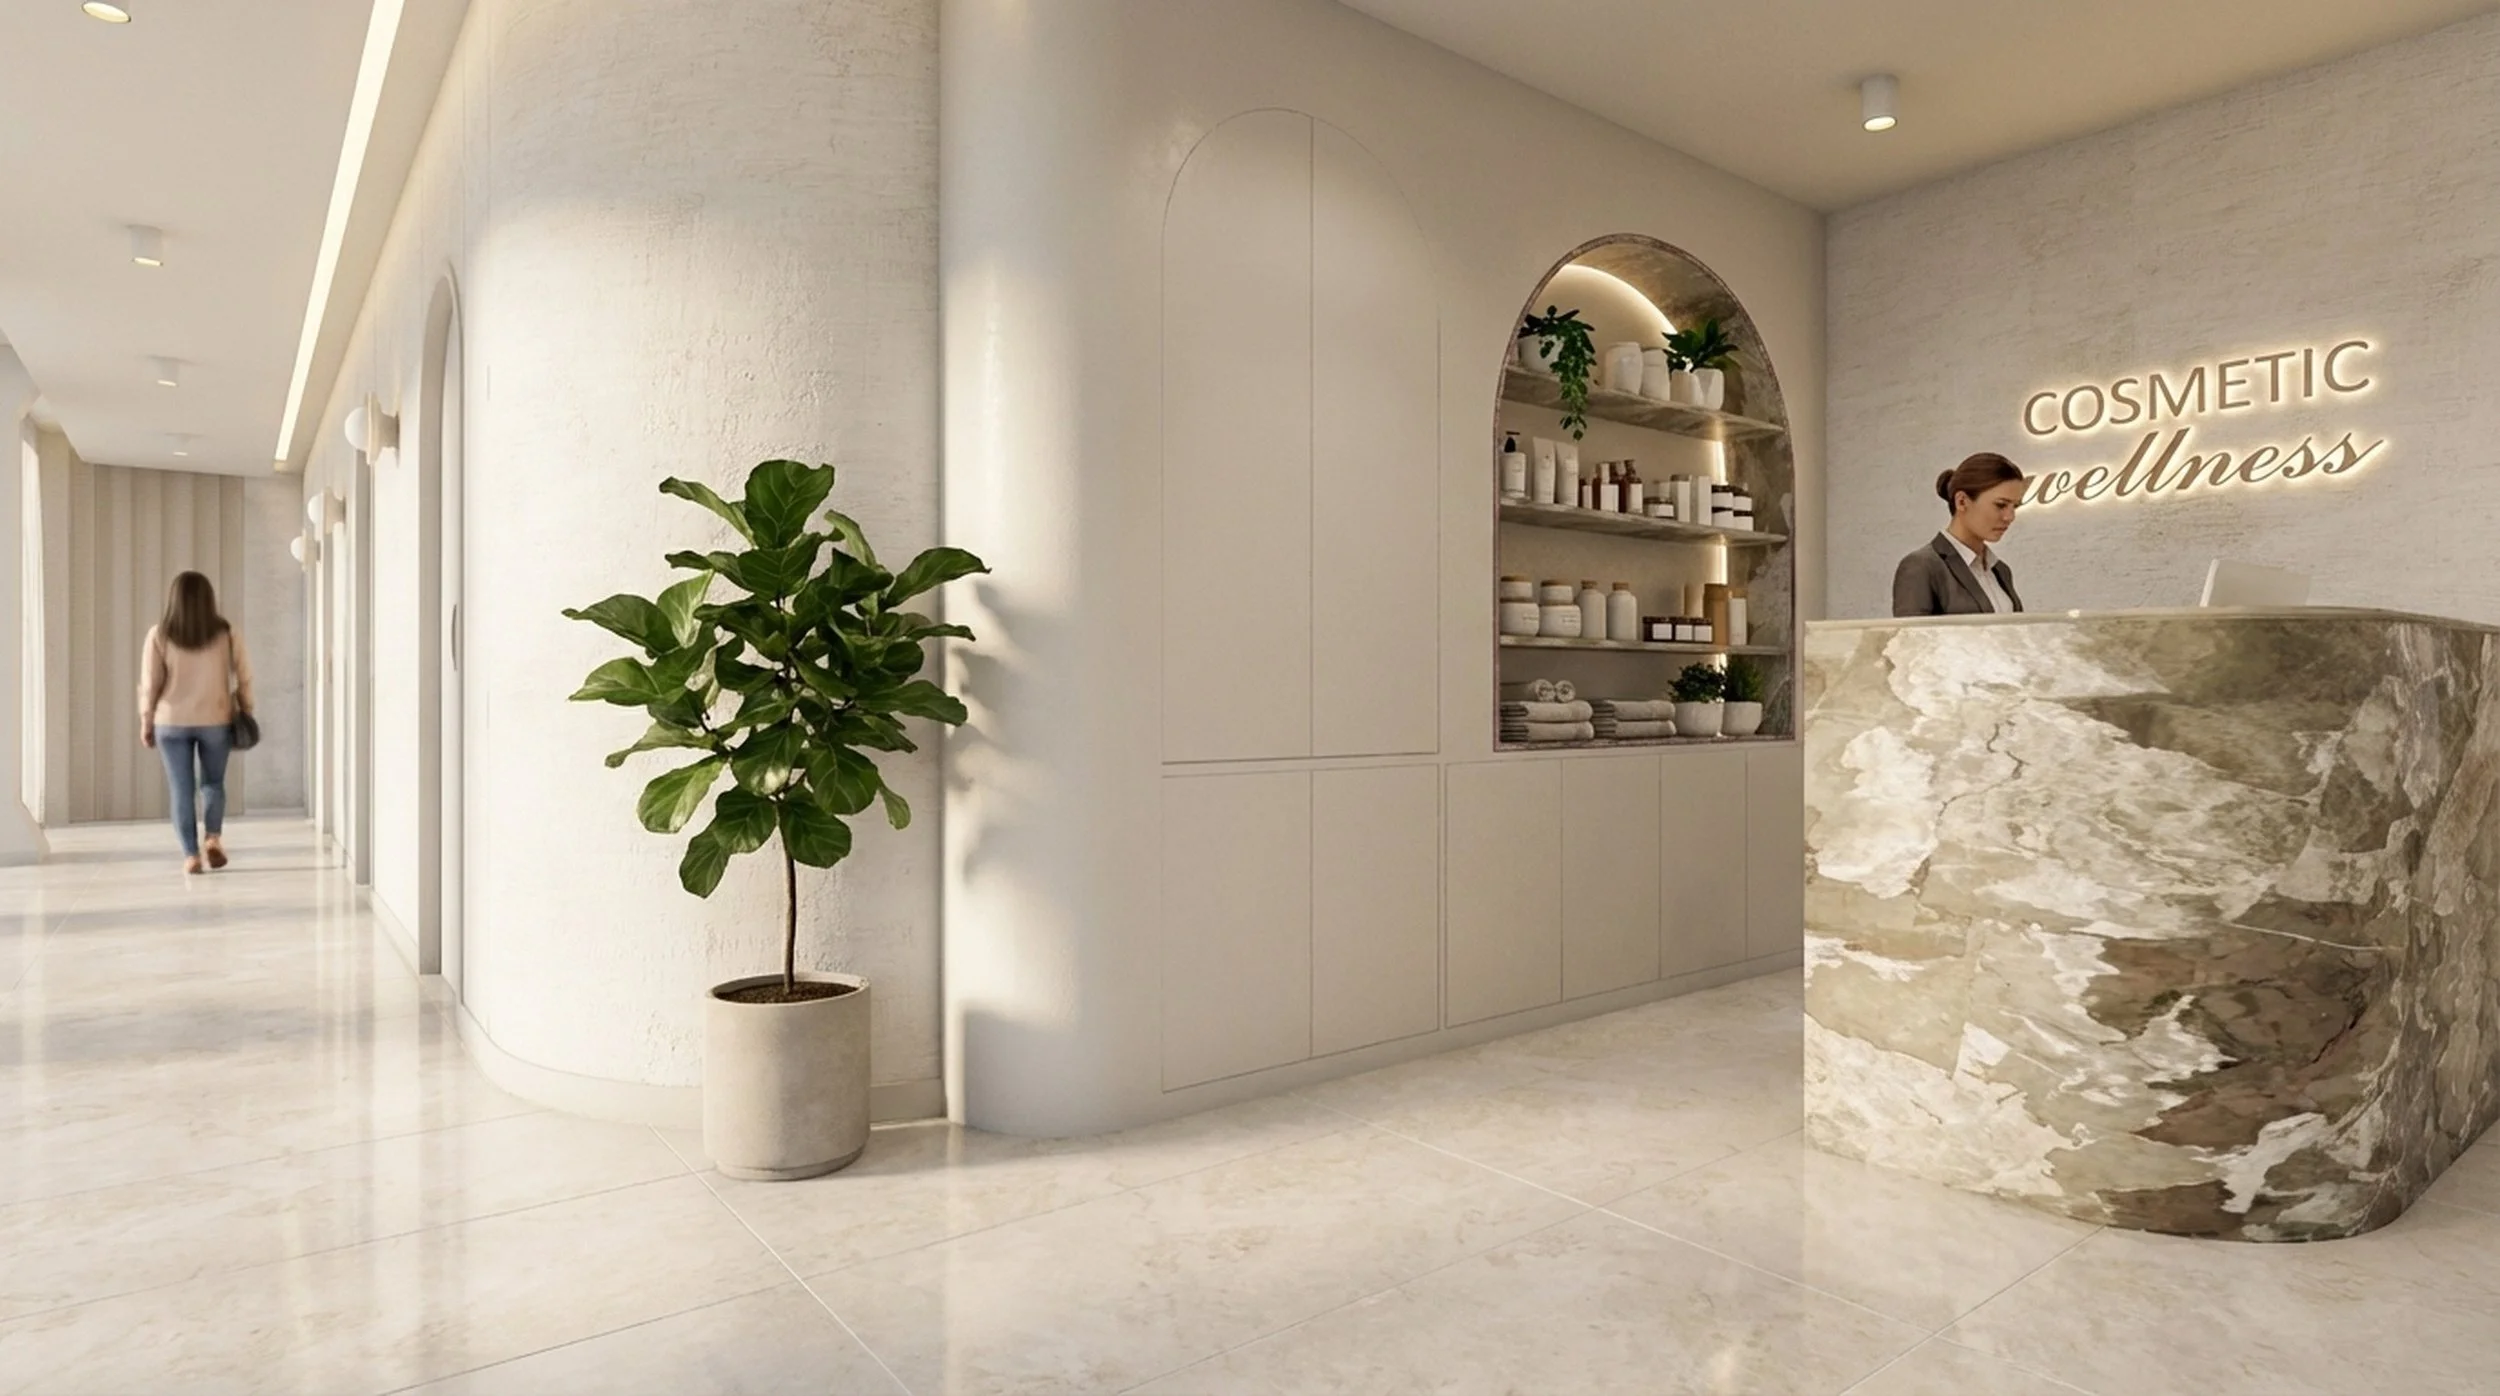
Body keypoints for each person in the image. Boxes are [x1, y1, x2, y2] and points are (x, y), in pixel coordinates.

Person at [139, 571, 254, 874]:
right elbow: (244, 675)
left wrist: (146, 720)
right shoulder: (226, 633)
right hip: (215, 719)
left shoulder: (159, 635)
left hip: (171, 722)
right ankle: (213, 838)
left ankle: (191, 856)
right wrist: (246, 707)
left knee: (181, 789)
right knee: (213, 783)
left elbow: (150, 684)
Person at [1892, 452, 2028, 617]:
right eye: (2000, 505)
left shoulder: (2000, 570)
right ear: (1962, 501)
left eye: (2015, 506)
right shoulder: (1921, 566)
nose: (2010, 517)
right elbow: (1911, 633)